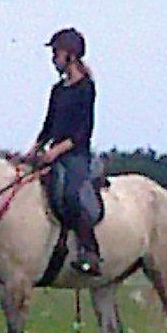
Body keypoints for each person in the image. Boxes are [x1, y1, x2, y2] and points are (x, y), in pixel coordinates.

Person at [20, 28, 102, 276]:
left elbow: (82, 132)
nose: (53, 58)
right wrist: (34, 149)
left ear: (71, 55)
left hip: (75, 156)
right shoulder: (58, 90)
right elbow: (48, 126)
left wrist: (56, 152)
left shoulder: (85, 88)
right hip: (53, 153)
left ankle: (90, 252)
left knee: (70, 196)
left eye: (57, 53)